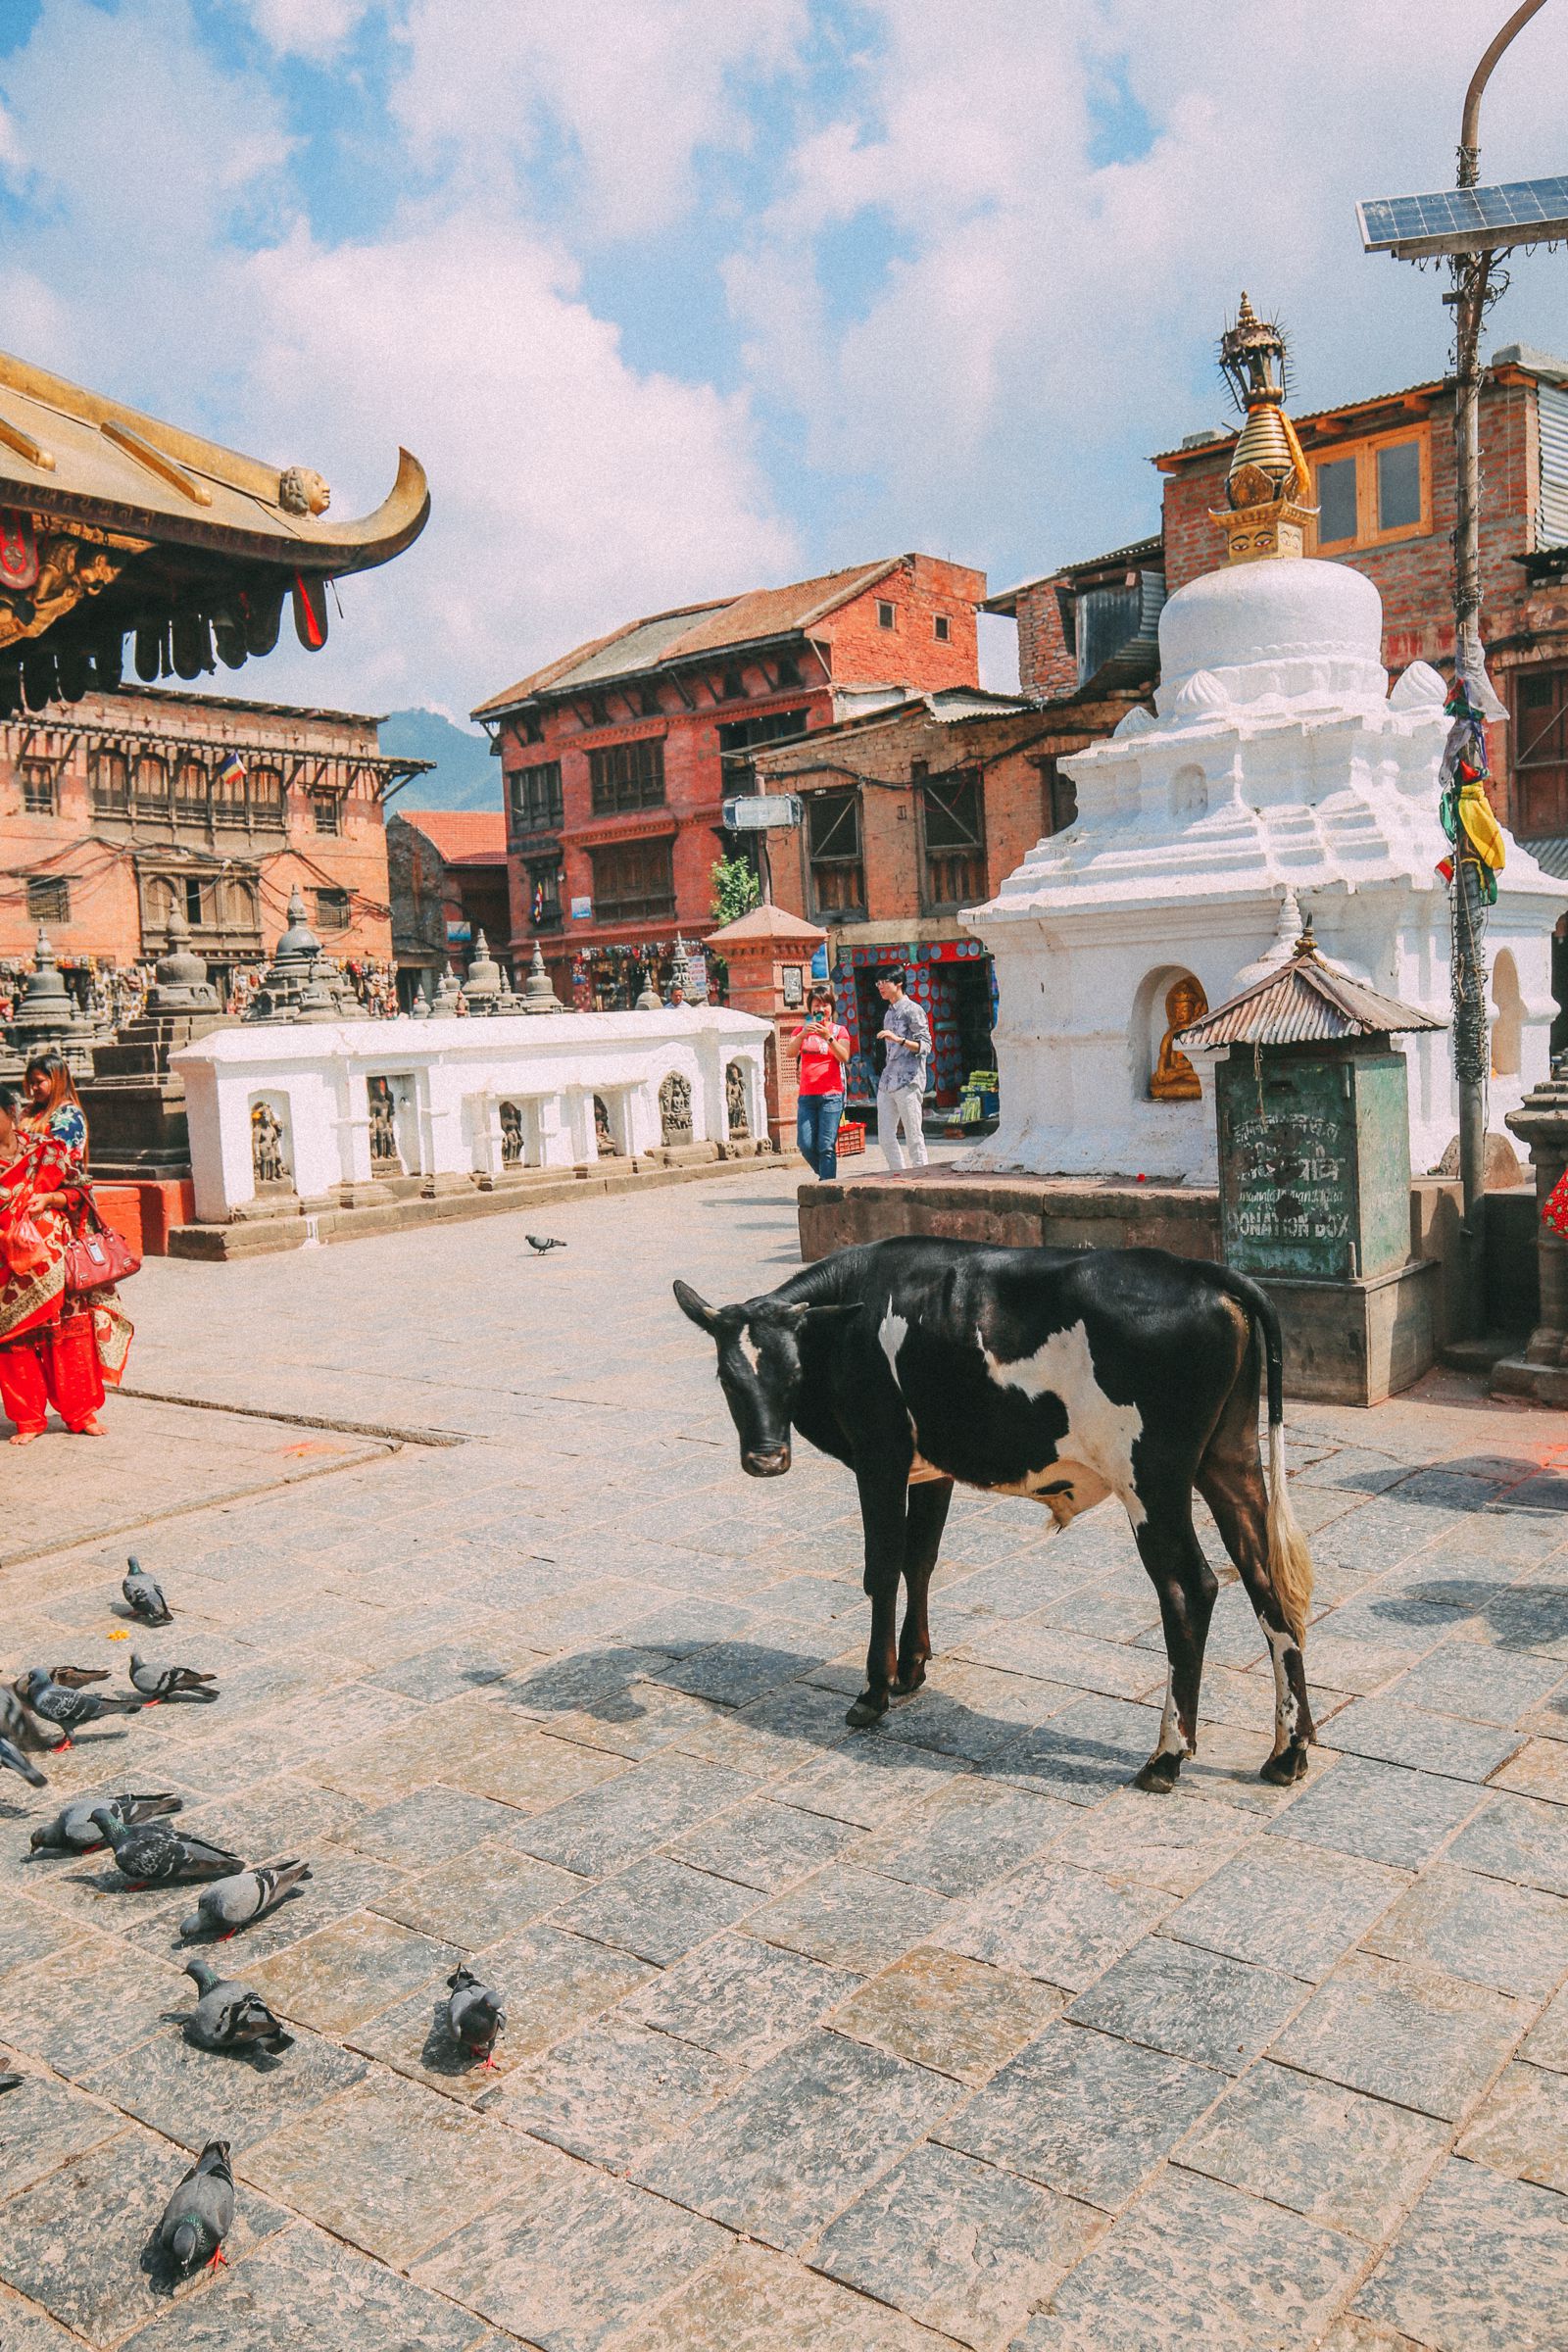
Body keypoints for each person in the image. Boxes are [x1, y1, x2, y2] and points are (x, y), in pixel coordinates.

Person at [0, 1083, 110, 1442]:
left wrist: (50, 1199)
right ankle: (29, 1420)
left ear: (11, 1113)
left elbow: (81, 1192)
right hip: (8, 1272)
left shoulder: (46, 1151)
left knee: (70, 1337)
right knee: (15, 1345)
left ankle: (81, 1413)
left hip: (57, 1263)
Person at [789, 985, 851, 1178]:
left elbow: (844, 1056)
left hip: (831, 1095)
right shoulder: (801, 1030)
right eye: (817, 1005)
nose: (821, 1009)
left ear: (831, 1008)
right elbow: (790, 1053)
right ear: (810, 1009)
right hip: (807, 1096)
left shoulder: (839, 1031)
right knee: (805, 1144)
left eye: (825, 1005)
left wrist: (828, 1038)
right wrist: (802, 1035)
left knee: (826, 1145)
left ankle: (827, 1187)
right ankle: (826, 1177)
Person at [874, 969, 931, 1171]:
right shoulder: (889, 1013)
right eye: (878, 982)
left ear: (898, 983)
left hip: (909, 1079)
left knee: (914, 1136)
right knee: (885, 1137)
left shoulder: (913, 1010)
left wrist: (899, 1040)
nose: (880, 986)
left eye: (884, 981)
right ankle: (898, 1175)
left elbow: (926, 1046)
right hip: (888, 1080)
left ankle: (923, 1178)